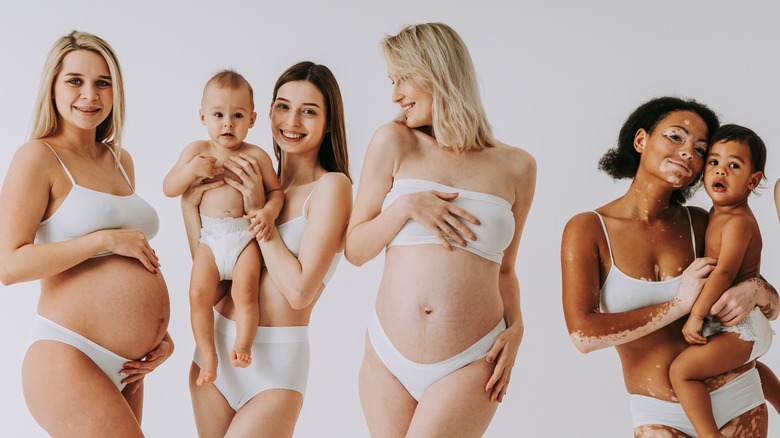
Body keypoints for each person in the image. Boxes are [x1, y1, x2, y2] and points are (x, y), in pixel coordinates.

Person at [345, 22, 535, 437]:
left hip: (472, 358)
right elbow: (355, 249)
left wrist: (517, 328)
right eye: (391, 81)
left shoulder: (517, 166)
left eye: (403, 79)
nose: (394, 95)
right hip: (387, 355)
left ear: (438, 72)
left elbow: (505, 269)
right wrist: (406, 207)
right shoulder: (392, 142)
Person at [561, 97, 779, 437]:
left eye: (700, 149)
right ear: (641, 140)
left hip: (738, 396)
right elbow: (583, 337)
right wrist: (678, 306)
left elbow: (769, 306)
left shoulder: (700, 221)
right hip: (658, 412)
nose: (688, 152)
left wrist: (755, 290)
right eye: (676, 137)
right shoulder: (588, 229)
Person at [0, 31, 172, 436]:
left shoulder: (119, 158)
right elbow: (9, 264)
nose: (89, 95)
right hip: (68, 354)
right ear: (53, 86)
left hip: (129, 366)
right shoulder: (37, 157)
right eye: (75, 81)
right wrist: (103, 240)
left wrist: (162, 334)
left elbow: (135, 257)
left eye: (102, 82)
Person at [184, 61, 352, 437]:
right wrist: (187, 209)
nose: (291, 121)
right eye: (283, 106)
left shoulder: (332, 188)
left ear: (328, 122)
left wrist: (261, 214)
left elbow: (299, 291)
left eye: (309, 111)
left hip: (275, 369)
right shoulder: (249, 176)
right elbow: (212, 289)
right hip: (216, 355)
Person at [164, 70, 283, 386]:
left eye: (237, 115)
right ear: (203, 116)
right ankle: (209, 355)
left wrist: (268, 213)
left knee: (246, 292)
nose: (227, 123)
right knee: (197, 294)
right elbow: (169, 187)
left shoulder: (256, 156)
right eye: (218, 114)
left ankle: (242, 345)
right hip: (211, 239)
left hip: (244, 237)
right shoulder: (196, 151)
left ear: (253, 119)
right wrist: (191, 170)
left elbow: (277, 192)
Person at [668, 124, 774, 437]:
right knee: (746, 372)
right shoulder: (719, 214)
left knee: (682, 372)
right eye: (714, 162)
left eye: (734, 166)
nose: (721, 172)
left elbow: (725, 272)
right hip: (737, 328)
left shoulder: (738, 221)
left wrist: (696, 315)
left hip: (740, 327)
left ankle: (708, 435)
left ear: (753, 181)